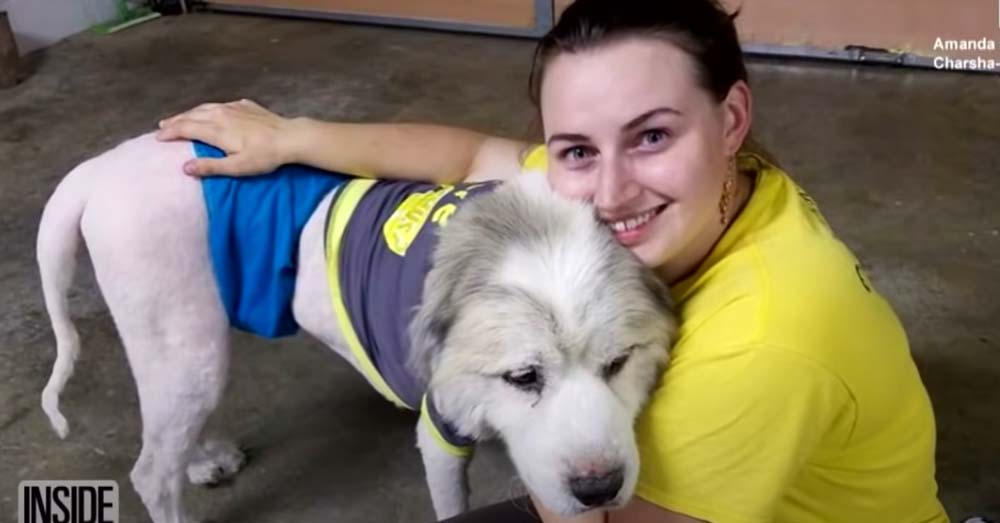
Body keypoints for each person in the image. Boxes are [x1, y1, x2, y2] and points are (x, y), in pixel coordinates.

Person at [156, 1, 949, 522]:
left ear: (732, 116)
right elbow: (471, 157)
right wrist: (294, 137)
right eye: (576, 149)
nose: (609, 192)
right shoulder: (725, 191)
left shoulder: (758, 342)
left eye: (652, 135)